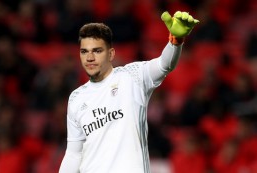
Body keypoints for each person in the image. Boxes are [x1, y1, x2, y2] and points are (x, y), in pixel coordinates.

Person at [59, 11, 199, 173]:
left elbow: (164, 64)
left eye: (97, 51)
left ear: (111, 54)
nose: (89, 57)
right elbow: (74, 154)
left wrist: (175, 41)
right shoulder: (76, 98)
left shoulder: (133, 76)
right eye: (84, 51)